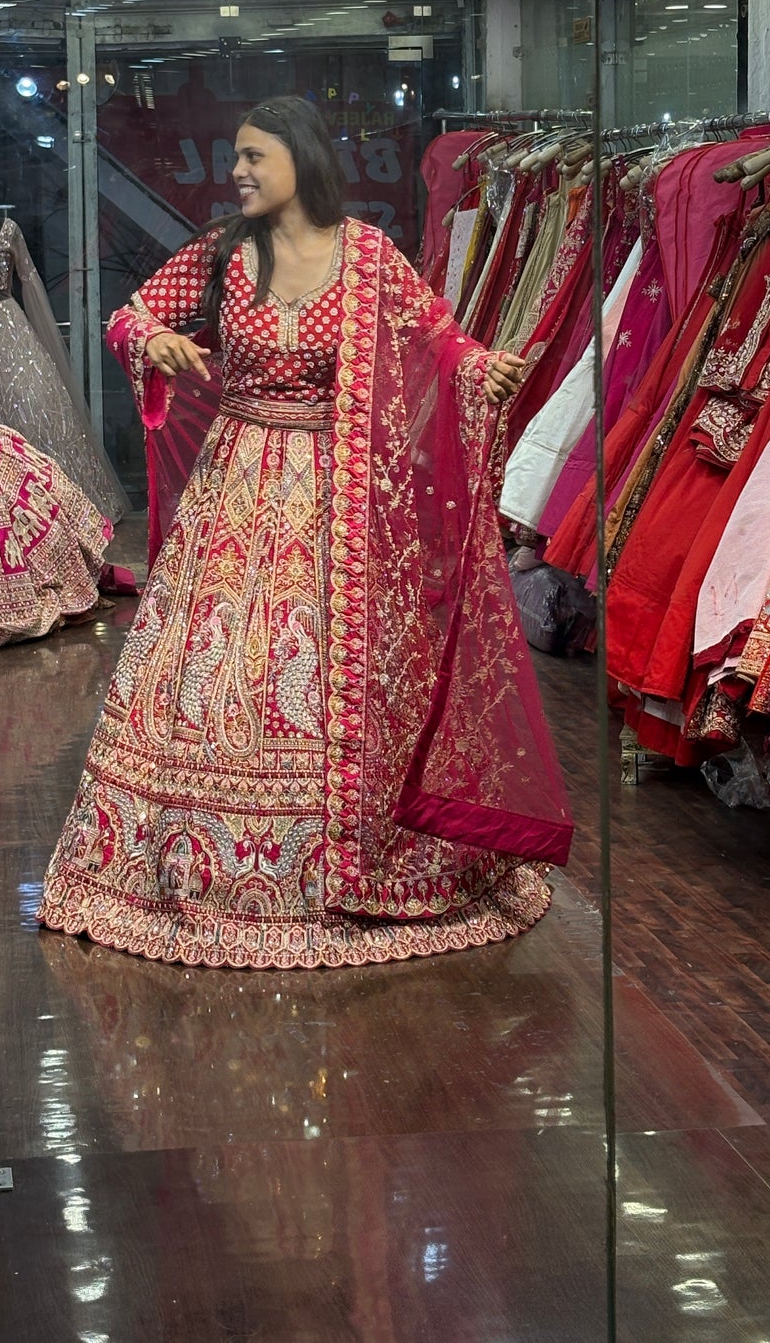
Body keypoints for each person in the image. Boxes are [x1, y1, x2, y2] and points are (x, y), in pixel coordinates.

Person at [41, 97, 574, 970]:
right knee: (213, 663)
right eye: (237, 157)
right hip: (234, 485)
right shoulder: (222, 251)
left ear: (301, 157)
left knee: (335, 661)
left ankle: (346, 859)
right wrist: (155, 341)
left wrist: (480, 369)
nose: (238, 172)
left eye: (254, 156)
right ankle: (188, 860)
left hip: (339, 495)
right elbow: (129, 314)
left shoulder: (367, 256)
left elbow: (436, 339)